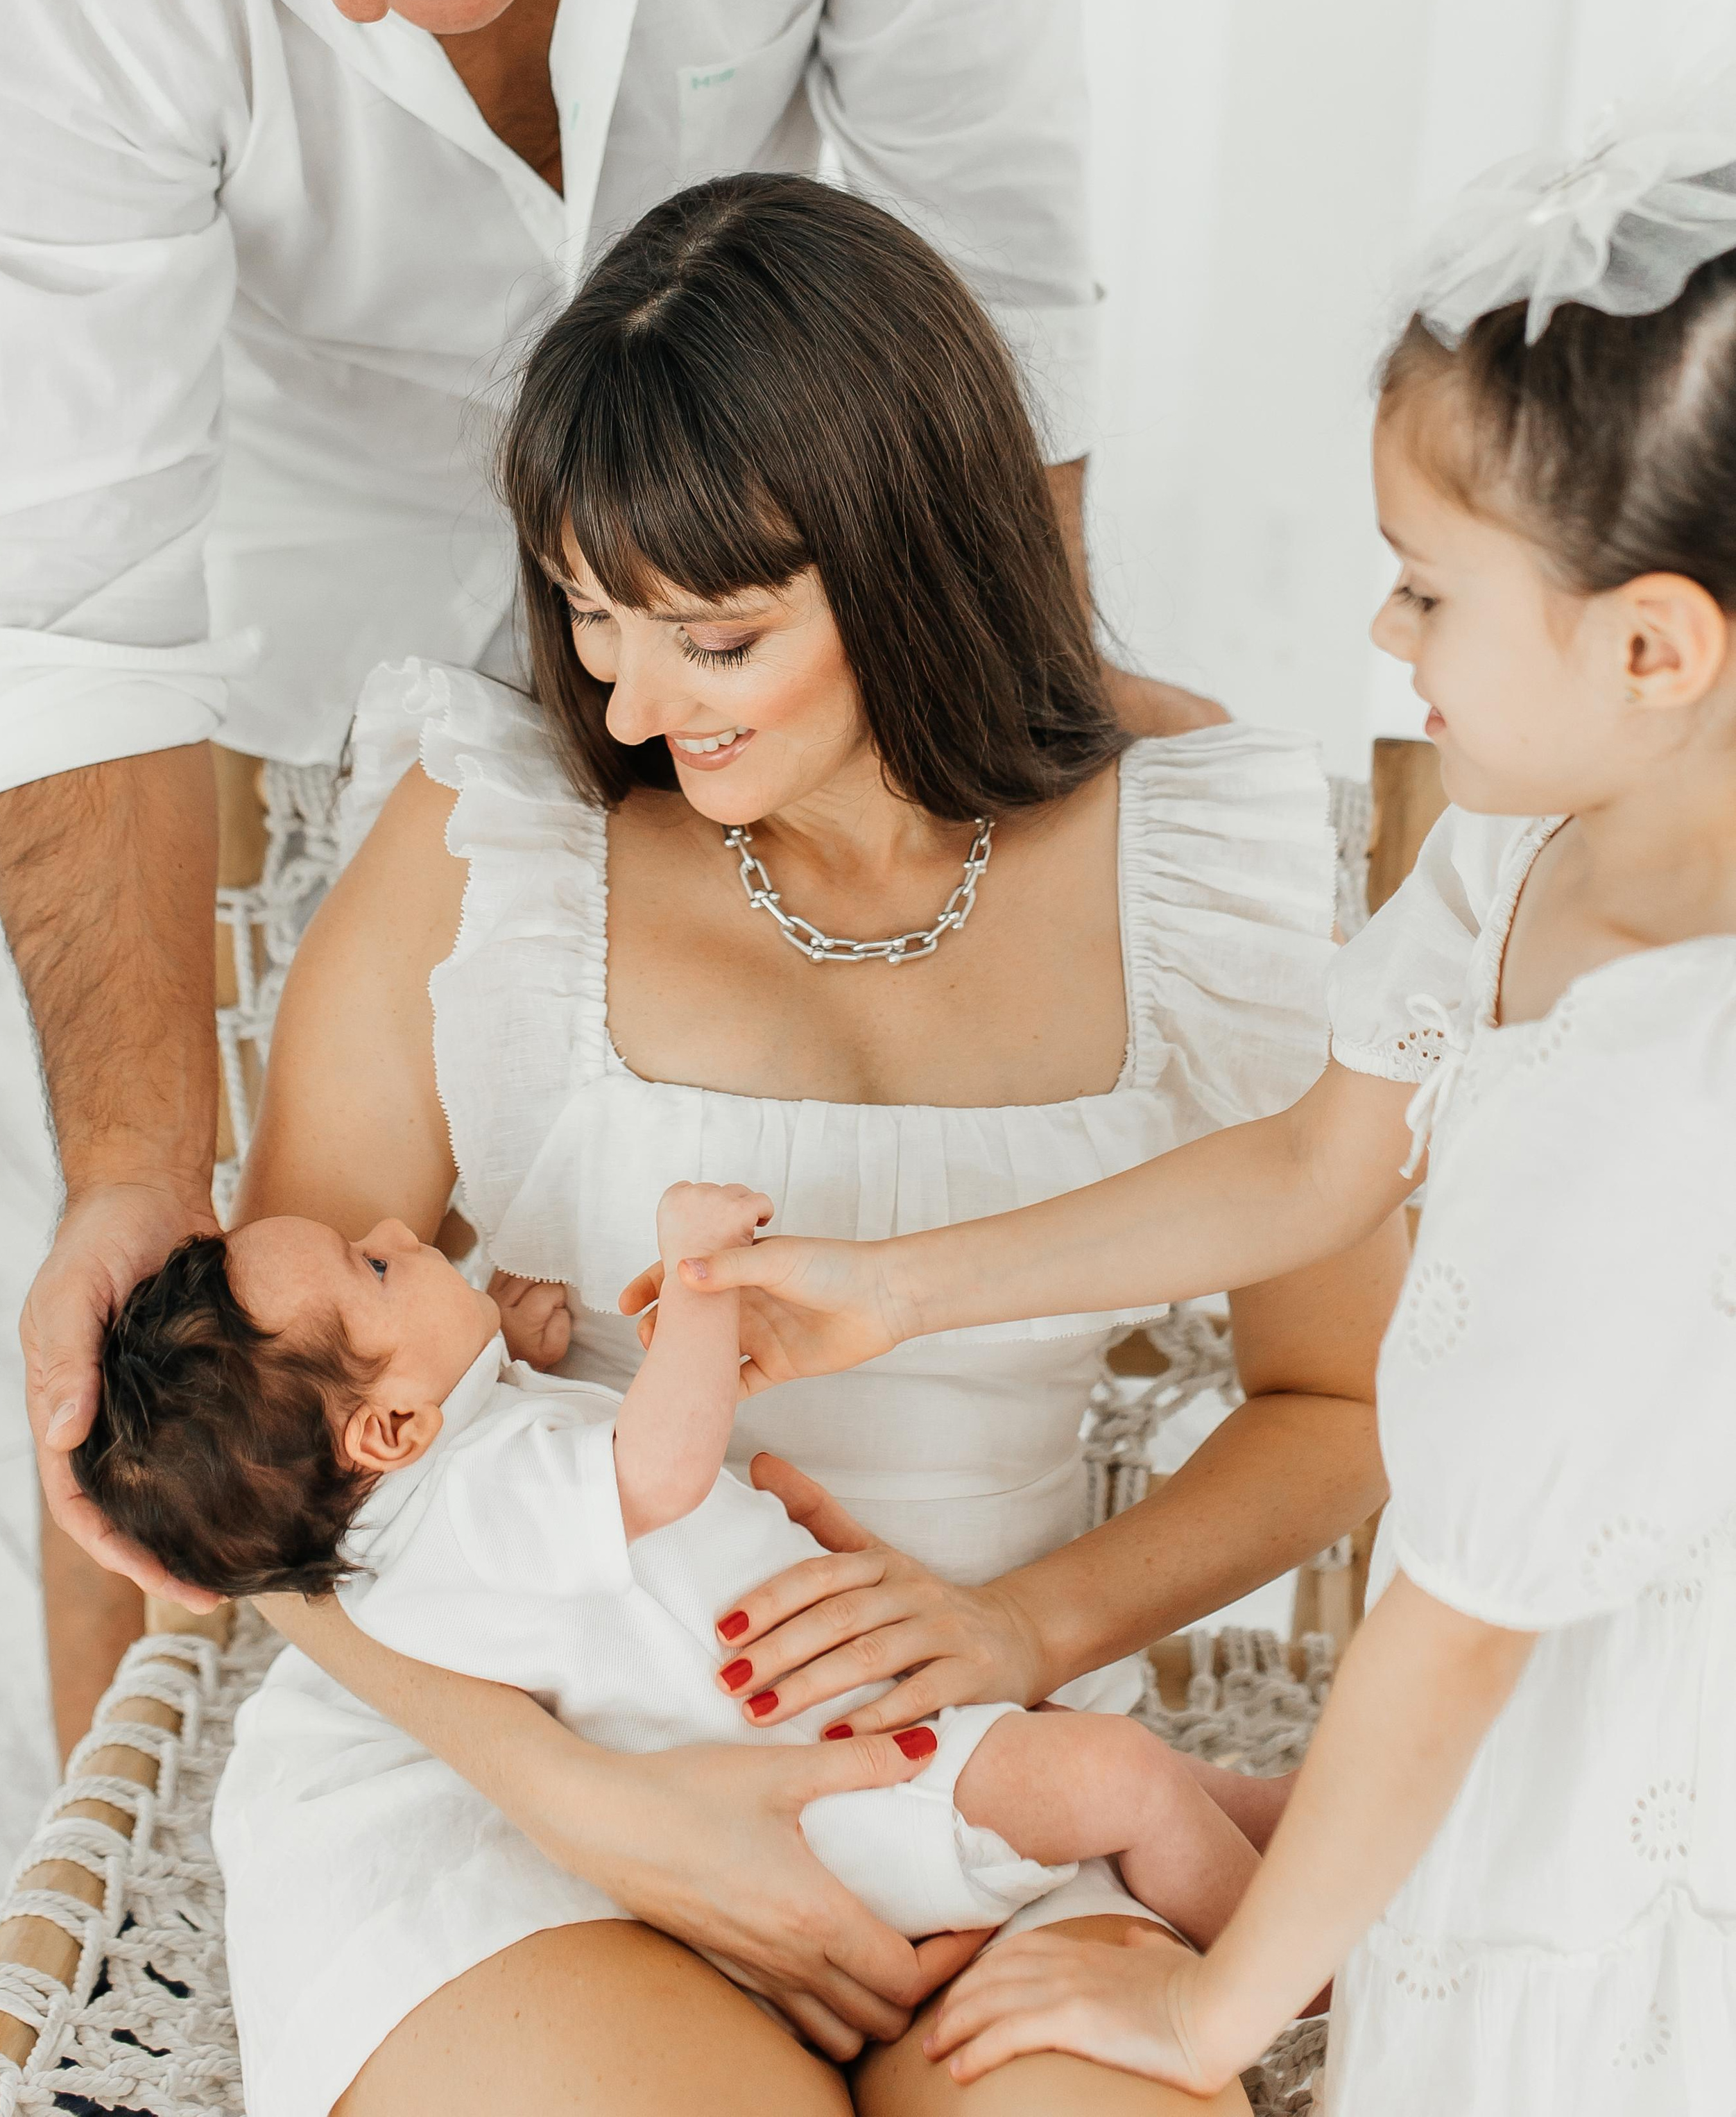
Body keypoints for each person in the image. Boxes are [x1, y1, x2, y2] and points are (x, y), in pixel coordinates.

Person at [0, 0, 1213, 1742]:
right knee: (134, 1359)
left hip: (719, 514)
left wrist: (989, 766)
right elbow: (76, 598)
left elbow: (998, 284)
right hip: (272, 560)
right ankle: (107, 2011)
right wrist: (133, 1179)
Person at [209, 173, 1407, 2108]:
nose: (627, 697)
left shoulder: (1196, 860)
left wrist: (1021, 1625)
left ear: (913, 557)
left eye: (714, 636)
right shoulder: (490, 832)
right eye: (593, 616)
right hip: (516, 1777)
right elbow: (261, 1467)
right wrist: (589, 1802)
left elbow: (1339, 1405)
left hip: (989, 1765)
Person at [685, 121, 1736, 2109]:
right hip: (1507, 1679)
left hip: (1599, 1723)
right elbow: (1314, 1163)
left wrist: (1218, 2010)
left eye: (1428, 595)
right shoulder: (1532, 857)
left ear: (1654, 645)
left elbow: (1457, 1622)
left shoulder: (1682, 1084)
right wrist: (906, 1289)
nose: (1383, 640)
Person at [80, 1184, 1300, 2117]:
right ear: (391, 1426)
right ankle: (1286, 1969)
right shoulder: (484, 1494)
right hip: (840, 1784)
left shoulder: (414, 1520)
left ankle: (1268, 1827)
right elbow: (650, 1471)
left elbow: (529, 1543)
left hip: (817, 1738)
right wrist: (700, 1278)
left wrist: (495, 1348)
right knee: (1120, 1782)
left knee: (1131, 1781)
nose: (403, 1226)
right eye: (379, 1267)